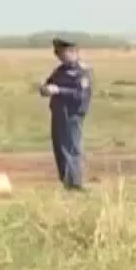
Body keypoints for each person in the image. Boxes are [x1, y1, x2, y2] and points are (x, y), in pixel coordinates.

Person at [40, 37, 93, 190]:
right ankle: (66, 181)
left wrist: (59, 90)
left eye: (61, 53)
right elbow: (48, 84)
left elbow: (80, 95)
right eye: (57, 53)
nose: (58, 56)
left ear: (73, 52)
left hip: (73, 115)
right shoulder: (60, 71)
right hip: (58, 114)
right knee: (59, 148)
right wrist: (44, 89)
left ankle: (75, 183)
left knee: (71, 148)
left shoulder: (82, 72)